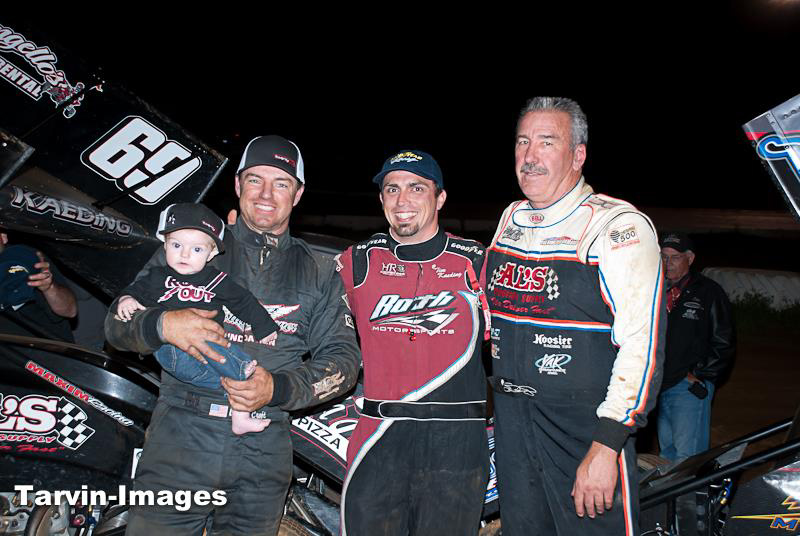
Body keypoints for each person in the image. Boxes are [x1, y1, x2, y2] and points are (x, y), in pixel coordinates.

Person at [104, 135, 360, 536]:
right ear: (238, 185)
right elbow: (116, 327)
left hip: (264, 447)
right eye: (255, 179)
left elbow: (344, 362)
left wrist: (276, 388)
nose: (266, 194)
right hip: (180, 438)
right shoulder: (194, 243)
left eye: (281, 183)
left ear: (297, 195)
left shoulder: (321, 271)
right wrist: (160, 324)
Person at [485, 96, 665, 535]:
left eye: (547, 142)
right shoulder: (511, 218)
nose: (530, 156)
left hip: (584, 429)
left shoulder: (617, 227)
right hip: (512, 422)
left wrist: (607, 444)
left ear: (578, 154)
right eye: (522, 142)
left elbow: (641, 345)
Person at [337, 150, 490, 535]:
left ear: (440, 198)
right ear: (381, 200)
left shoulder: (476, 261)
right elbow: (302, 307)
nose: (402, 200)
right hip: (380, 435)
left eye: (416, 188)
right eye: (392, 189)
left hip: (457, 443)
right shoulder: (358, 261)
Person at [116, 202, 280, 435]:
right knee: (231, 368)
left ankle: (239, 415)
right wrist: (127, 299)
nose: (184, 254)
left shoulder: (215, 280)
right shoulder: (156, 277)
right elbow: (135, 291)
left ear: (210, 254)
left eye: (196, 249)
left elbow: (243, 300)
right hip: (170, 351)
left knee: (226, 358)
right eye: (176, 245)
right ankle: (238, 375)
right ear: (165, 245)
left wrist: (264, 326)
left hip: (209, 350)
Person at [657, 232, 735, 461]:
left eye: (675, 257)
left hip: (688, 387)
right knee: (666, 455)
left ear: (690, 259)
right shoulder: (654, 290)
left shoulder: (708, 292)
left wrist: (700, 374)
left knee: (688, 458)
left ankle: (692, 489)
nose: (668, 263)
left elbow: (724, 341)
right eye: (663, 257)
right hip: (658, 385)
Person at [0, 230, 77, 342]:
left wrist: (49, 288)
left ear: (3, 236)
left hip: (49, 348)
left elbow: (70, 311)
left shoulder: (25, 258)